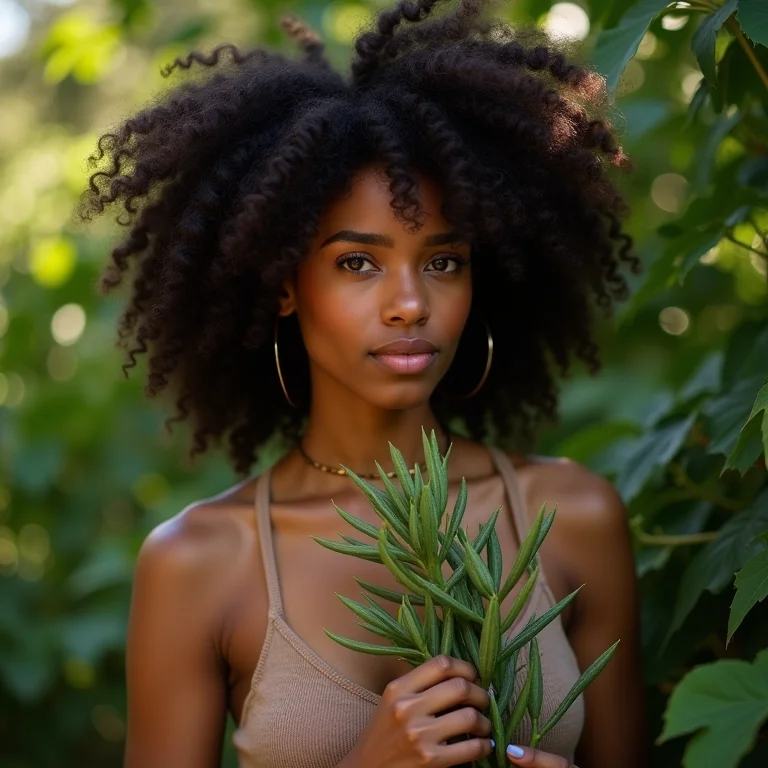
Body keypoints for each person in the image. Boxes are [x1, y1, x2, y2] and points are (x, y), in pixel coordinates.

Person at [81, 0, 647, 765]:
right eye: (358, 263)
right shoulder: (199, 560)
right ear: (285, 283)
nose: (411, 303)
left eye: (444, 260)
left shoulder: (573, 517)